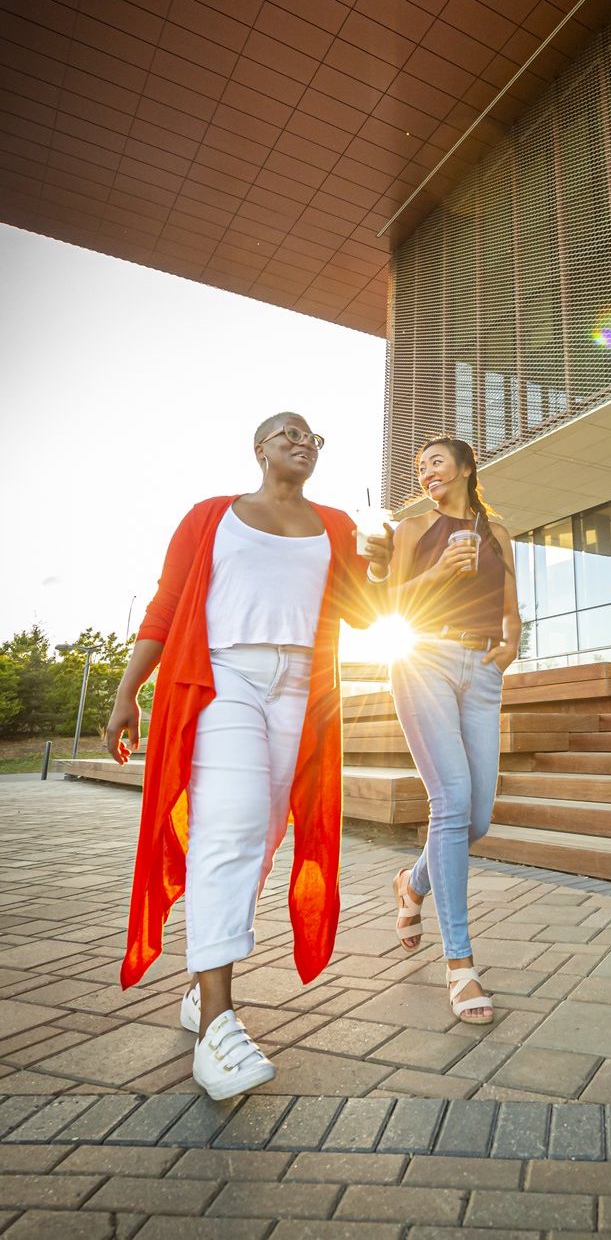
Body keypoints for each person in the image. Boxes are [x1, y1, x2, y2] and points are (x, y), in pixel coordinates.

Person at [106, 413, 391, 1099]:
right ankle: (217, 1028)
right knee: (228, 828)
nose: (304, 441)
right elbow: (167, 606)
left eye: (315, 437)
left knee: (260, 841)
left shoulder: (334, 523)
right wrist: (127, 694)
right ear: (260, 448)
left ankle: (198, 985)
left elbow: (365, 615)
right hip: (221, 677)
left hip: (301, 689)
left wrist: (378, 566)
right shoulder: (212, 515)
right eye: (289, 432)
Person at [386, 436, 521, 1024]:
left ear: (466, 468)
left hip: (482, 669)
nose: (426, 473)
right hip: (424, 658)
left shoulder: (499, 534)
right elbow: (387, 605)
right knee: (451, 803)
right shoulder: (413, 531)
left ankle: (412, 884)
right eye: (419, 467)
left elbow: (512, 604)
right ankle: (460, 964)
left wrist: (512, 645)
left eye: (435, 461)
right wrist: (440, 570)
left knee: (480, 816)